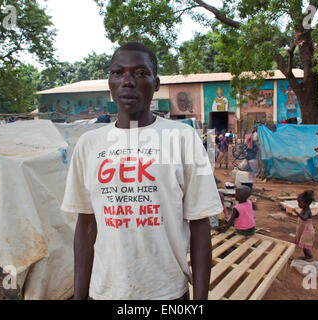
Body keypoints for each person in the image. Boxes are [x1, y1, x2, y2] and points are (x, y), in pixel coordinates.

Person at [61, 42, 222, 300]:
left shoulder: (182, 138)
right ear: (110, 82)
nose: (127, 81)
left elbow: (200, 224)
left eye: (140, 73)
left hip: (167, 293)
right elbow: (86, 226)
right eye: (118, 73)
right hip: (104, 292)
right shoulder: (89, 145)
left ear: (156, 84)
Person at [294, 190, 315, 261]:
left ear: (306, 203)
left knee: (305, 246)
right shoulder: (304, 209)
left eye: (300, 203)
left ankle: (309, 256)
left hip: (307, 231)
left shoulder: (307, 211)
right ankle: (307, 256)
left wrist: (297, 213)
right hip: (304, 229)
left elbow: (305, 218)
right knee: (304, 245)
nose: (298, 204)